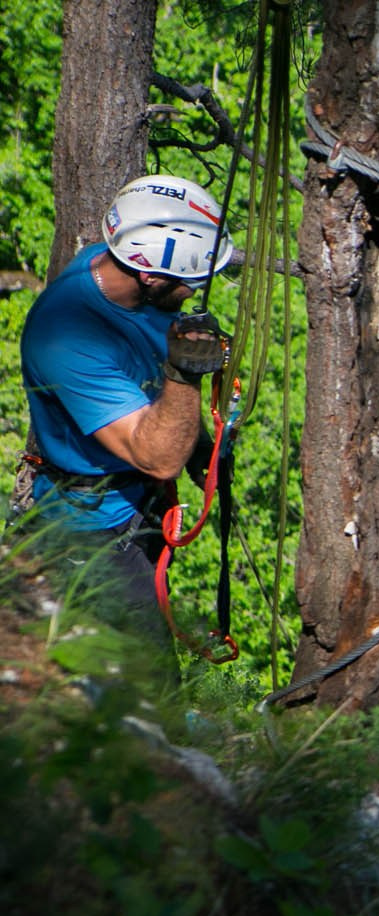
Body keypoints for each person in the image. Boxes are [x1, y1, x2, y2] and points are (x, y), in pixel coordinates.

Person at [17, 174, 233, 629]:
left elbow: (145, 393)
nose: (193, 291)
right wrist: (184, 372)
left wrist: (201, 450)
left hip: (133, 510)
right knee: (149, 693)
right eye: (188, 282)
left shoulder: (118, 272)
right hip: (89, 537)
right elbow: (156, 458)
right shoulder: (67, 337)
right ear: (150, 274)